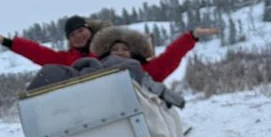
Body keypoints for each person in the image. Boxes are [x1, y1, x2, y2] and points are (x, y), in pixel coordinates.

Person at [89, 24, 218, 82]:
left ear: (133, 54)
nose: (120, 53)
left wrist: (192, 36)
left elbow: (171, 56)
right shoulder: (97, 72)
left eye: (125, 49)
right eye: (115, 49)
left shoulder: (145, 71)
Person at [0, 15, 98, 67]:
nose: (77, 36)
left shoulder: (111, 46)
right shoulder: (65, 60)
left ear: (89, 29)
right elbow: (37, 52)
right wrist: (8, 42)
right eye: (72, 35)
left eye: (80, 30)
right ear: (70, 41)